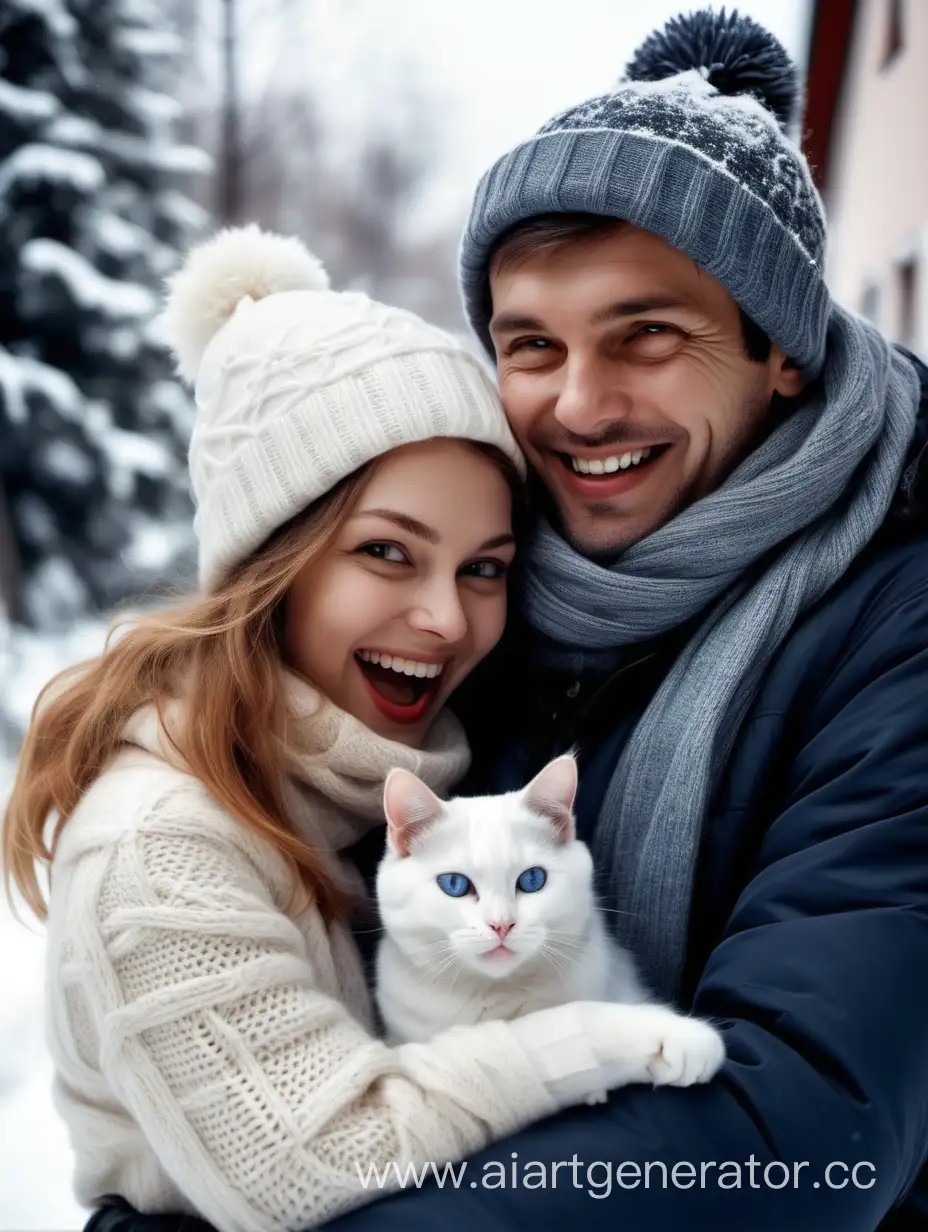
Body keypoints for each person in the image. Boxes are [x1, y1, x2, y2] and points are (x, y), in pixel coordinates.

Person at [320, 9, 928, 1232]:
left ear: (783, 351)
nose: (579, 405)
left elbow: (797, 1127)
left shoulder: (895, 621)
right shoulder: (468, 591)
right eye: (530, 344)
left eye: (646, 333)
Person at [1, 226, 705, 1232]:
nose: (449, 618)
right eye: (386, 551)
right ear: (270, 563)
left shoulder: (359, 789)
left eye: (484, 566)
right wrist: (598, 1042)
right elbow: (321, 1158)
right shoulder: (159, 846)